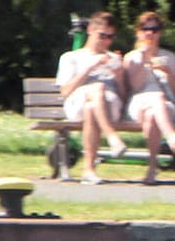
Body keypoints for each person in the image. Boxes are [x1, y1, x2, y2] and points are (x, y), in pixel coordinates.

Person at [55, 11, 129, 185]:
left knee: (92, 107)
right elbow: (65, 91)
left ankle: (89, 170)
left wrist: (119, 75)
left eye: (110, 37)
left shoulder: (113, 59)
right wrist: (89, 69)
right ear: (90, 30)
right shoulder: (71, 57)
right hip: (76, 103)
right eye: (102, 35)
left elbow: (124, 96)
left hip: (109, 106)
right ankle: (112, 137)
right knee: (96, 89)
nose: (106, 41)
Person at [121, 11, 175, 185]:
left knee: (154, 111)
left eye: (154, 29)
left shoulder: (171, 58)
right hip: (137, 104)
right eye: (145, 29)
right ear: (138, 32)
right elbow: (135, 86)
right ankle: (172, 137)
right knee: (155, 97)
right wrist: (144, 60)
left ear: (160, 32)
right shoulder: (131, 57)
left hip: (167, 107)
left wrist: (168, 72)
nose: (149, 33)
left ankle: (152, 169)